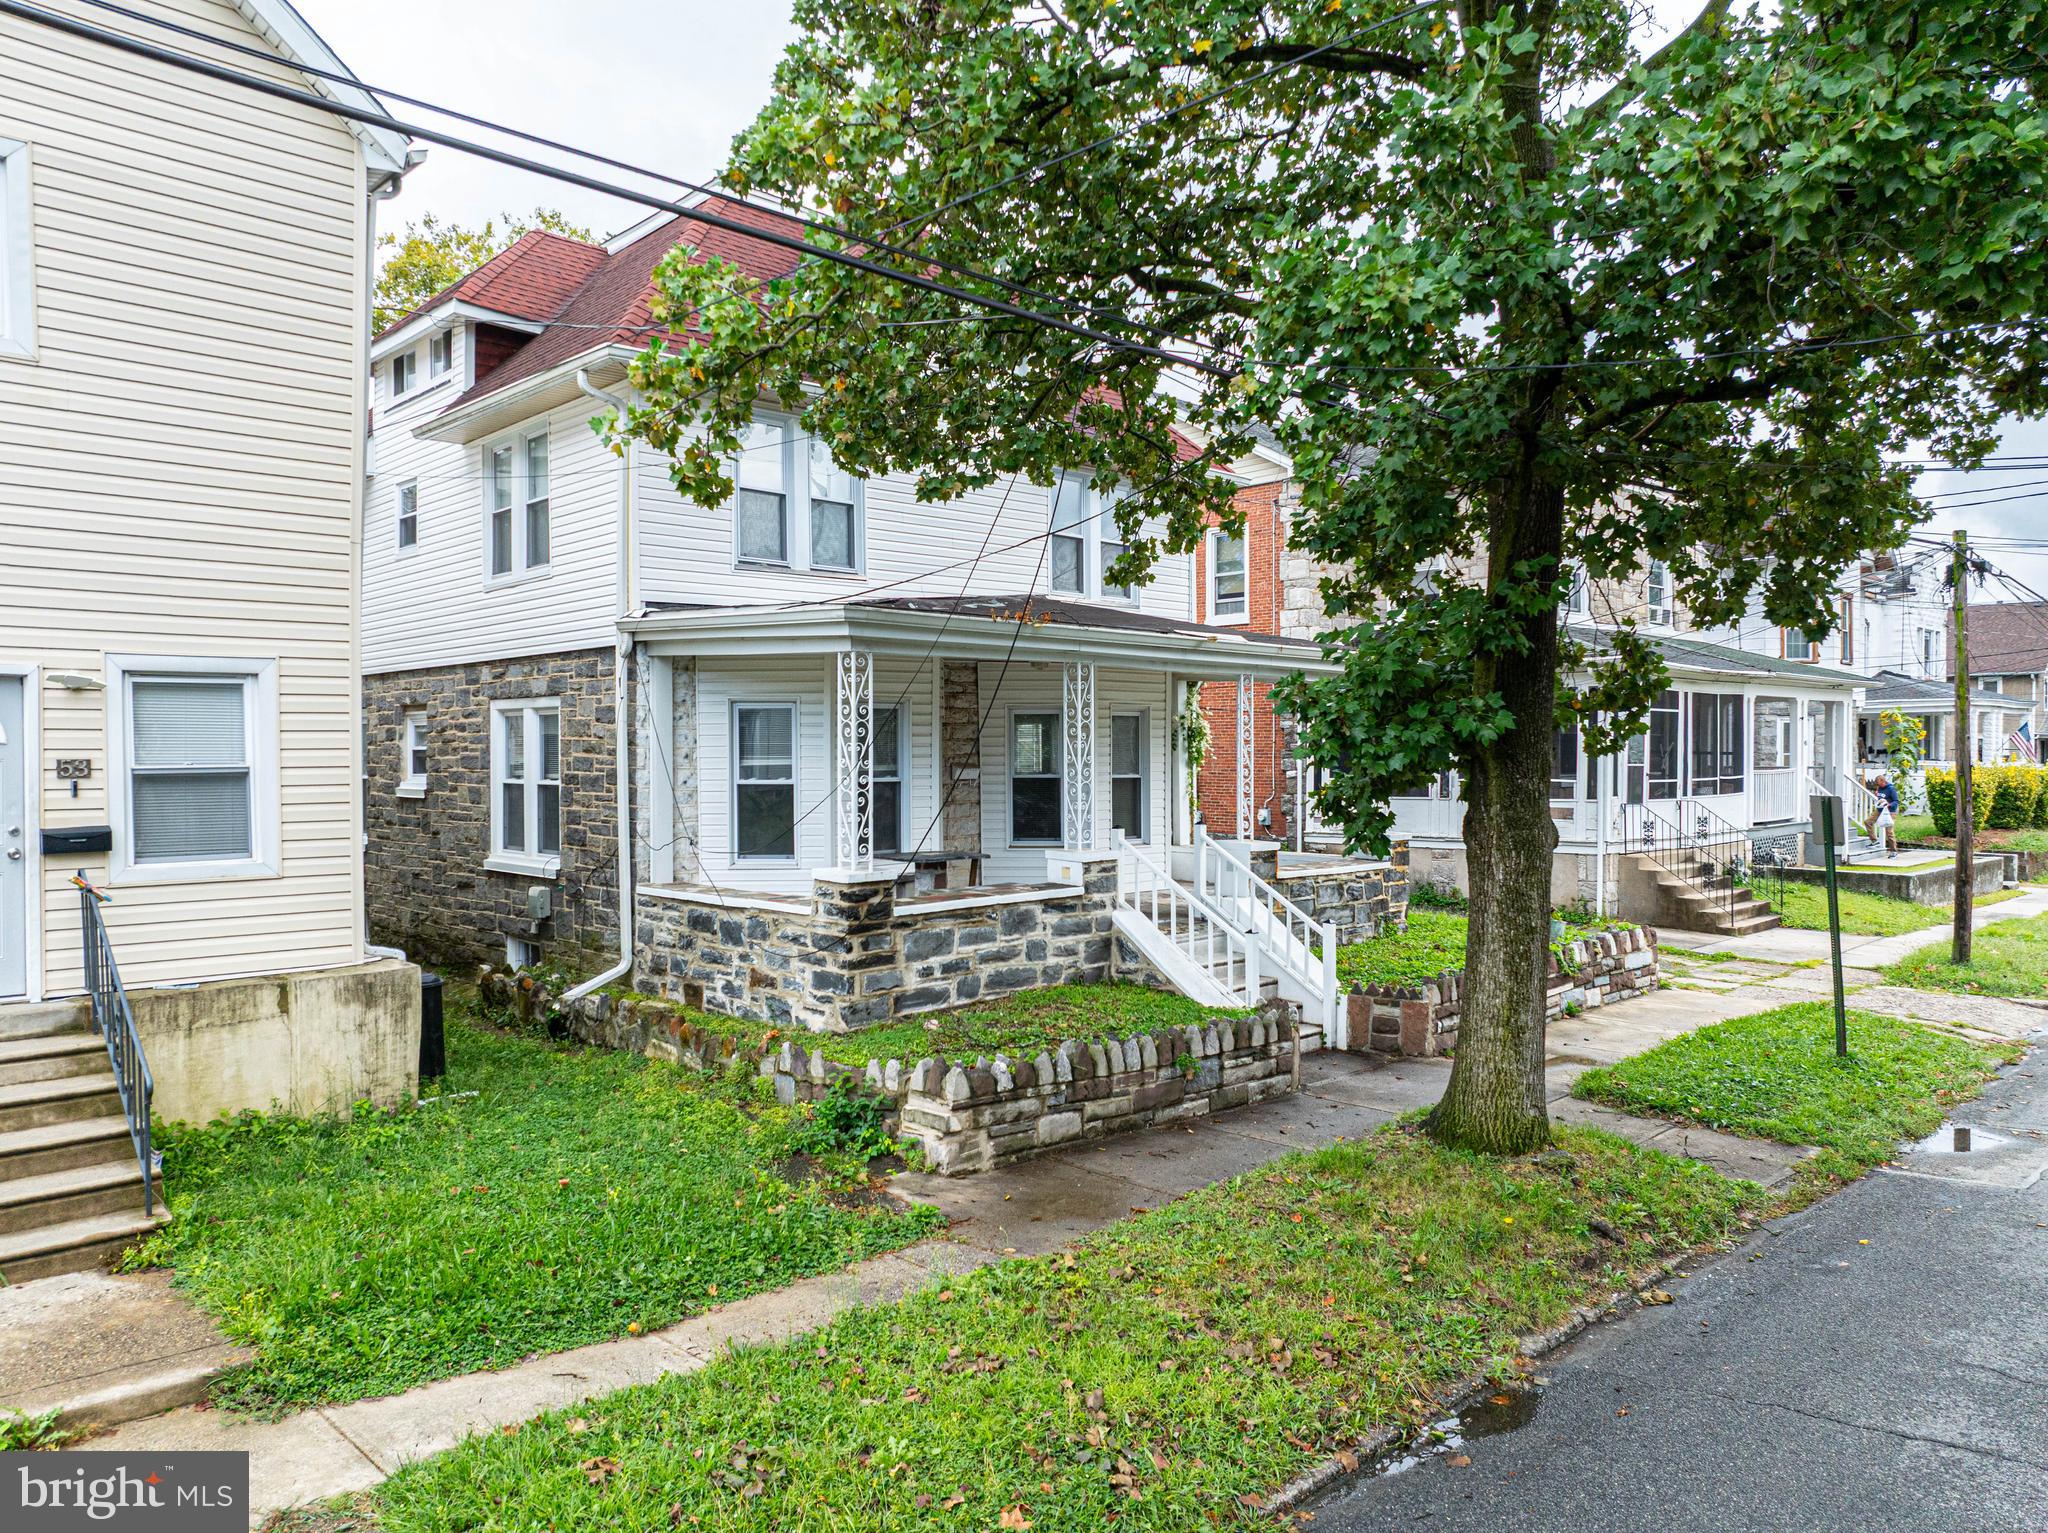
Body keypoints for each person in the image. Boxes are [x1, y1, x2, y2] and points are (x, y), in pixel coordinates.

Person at [1866, 773, 1900, 853]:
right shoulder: (1880, 788)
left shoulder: (1891, 789)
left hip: (1890, 812)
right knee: (1868, 822)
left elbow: (1896, 801)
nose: (1878, 785)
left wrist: (1889, 805)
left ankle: (1894, 851)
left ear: (1883, 781)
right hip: (1880, 810)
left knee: (1889, 832)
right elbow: (1881, 797)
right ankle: (1874, 841)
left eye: (1879, 783)